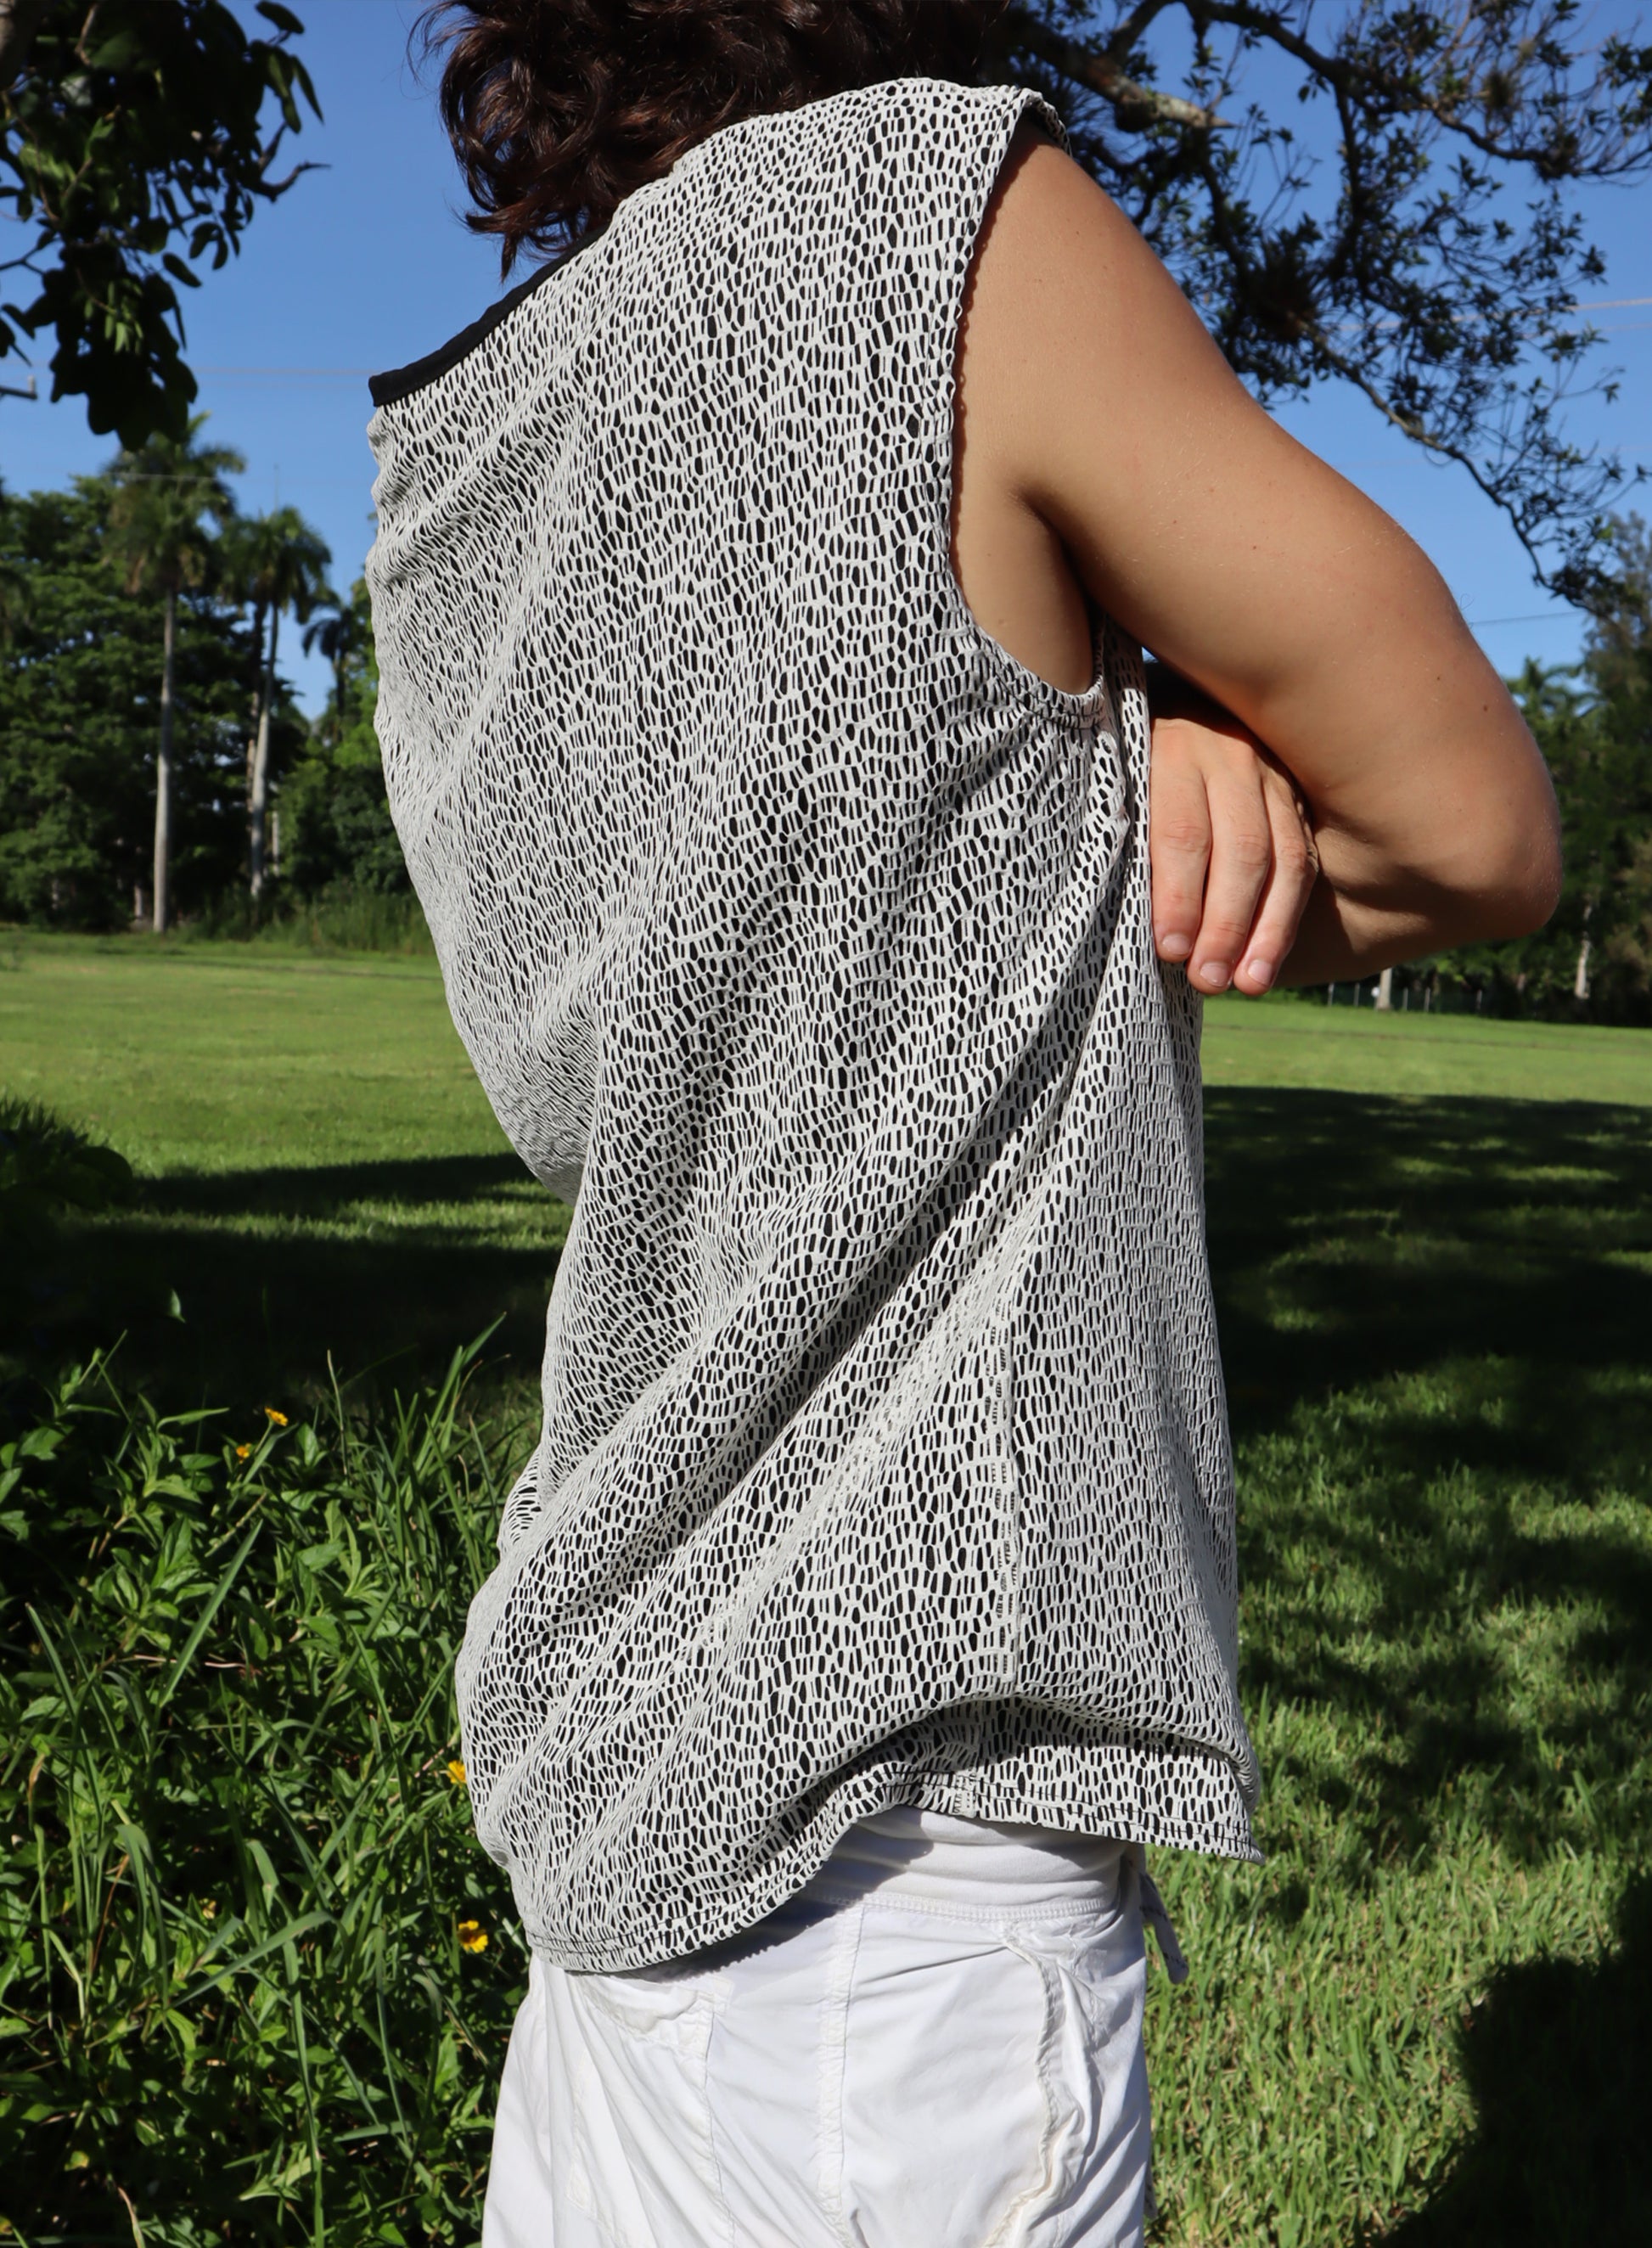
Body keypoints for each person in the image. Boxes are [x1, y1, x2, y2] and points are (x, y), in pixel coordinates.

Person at [363, 3, 1562, 2240]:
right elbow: (1471, 833)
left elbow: (809, 903)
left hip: (609, 1767)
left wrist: (1098, 748)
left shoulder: (450, 466)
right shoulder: (925, 210)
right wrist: (1149, 740)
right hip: (895, 1863)